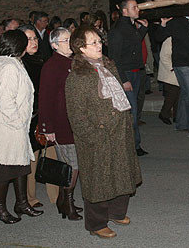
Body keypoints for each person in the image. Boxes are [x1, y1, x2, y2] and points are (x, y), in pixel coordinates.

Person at [66, 25, 142, 239]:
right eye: (94, 43)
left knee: (122, 172)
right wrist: (93, 136)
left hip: (119, 130)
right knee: (98, 179)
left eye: (100, 41)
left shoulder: (109, 65)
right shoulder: (77, 76)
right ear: (81, 48)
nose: (99, 45)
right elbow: (76, 115)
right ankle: (96, 223)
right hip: (98, 134)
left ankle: (117, 212)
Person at [0, 30, 44, 224]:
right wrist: (19, 122)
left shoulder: (11, 63)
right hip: (7, 128)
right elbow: (6, 102)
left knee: (20, 166)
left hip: (13, 127)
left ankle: (22, 203)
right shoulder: (8, 66)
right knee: (4, 170)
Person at [38, 27, 83, 221]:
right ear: (55, 45)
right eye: (66, 40)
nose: (70, 42)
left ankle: (65, 201)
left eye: (70, 39)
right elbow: (45, 99)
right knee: (72, 165)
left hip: (75, 122)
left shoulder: (73, 62)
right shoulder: (51, 66)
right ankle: (67, 202)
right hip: (60, 123)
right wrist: (47, 128)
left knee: (73, 164)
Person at [155, 15, 189, 137]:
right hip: (181, 63)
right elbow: (159, 37)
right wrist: (163, 25)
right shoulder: (177, 22)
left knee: (185, 93)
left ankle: (181, 123)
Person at [107, 0, 149, 156]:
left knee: (133, 109)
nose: (138, 9)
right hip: (127, 73)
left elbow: (134, 42)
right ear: (125, 11)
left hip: (135, 71)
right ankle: (133, 146)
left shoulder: (130, 26)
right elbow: (114, 58)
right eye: (134, 7)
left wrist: (144, 29)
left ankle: (134, 144)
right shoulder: (117, 30)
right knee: (131, 110)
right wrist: (123, 79)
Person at [16, 24, 48, 208]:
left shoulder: (40, 59)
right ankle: (28, 196)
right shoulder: (19, 64)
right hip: (27, 115)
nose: (34, 42)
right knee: (29, 156)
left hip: (40, 113)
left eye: (35, 38)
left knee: (41, 152)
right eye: (29, 39)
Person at [157, 37, 178, 125]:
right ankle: (164, 114)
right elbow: (164, 56)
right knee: (171, 96)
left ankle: (177, 115)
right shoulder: (169, 39)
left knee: (178, 95)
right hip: (169, 73)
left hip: (179, 70)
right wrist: (172, 68)